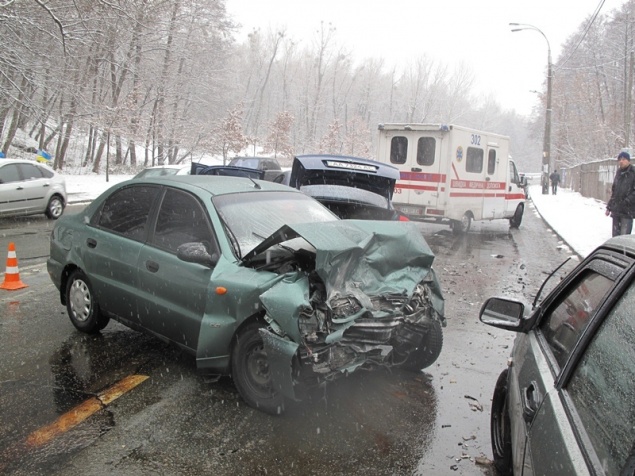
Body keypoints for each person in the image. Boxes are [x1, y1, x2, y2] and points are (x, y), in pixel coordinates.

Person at [606, 151, 635, 236]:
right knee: (615, 237)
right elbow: (615, 191)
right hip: (616, 211)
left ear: (628, 161)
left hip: (627, 212)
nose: (621, 161)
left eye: (623, 159)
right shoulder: (618, 173)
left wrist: (627, 201)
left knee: (624, 237)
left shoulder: (633, 173)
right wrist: (609, 206)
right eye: (619, 159)